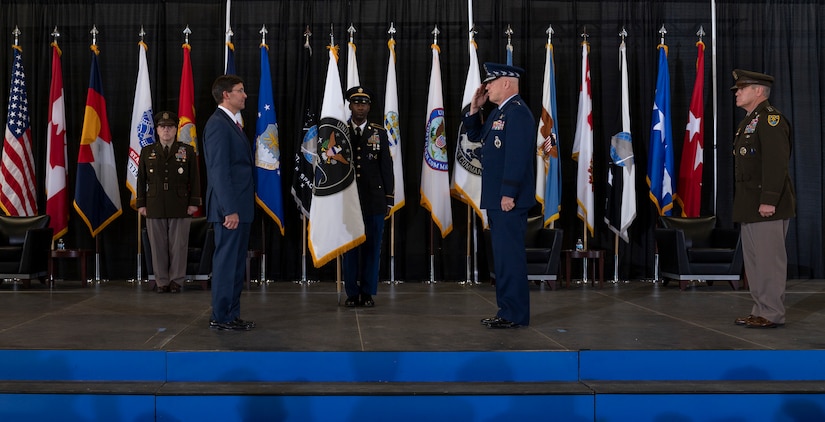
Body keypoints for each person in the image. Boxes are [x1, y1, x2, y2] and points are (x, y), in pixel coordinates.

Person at [463, 63, 536, 329]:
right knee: (502, 259)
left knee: (510, 258)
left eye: (491, 82)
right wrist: (475, 109)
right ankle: (507, 310)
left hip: (508, 199)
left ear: (507, 83)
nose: (487, 86)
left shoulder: (518, 113)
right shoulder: (498, 113)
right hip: (496, 198)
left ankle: (515, 314)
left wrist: (508, 193)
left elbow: (516, 157)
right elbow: (475, 136)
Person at [730, 69, 795, 329]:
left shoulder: (770, 120)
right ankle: (760, 309)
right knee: (756, 262)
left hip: (768, 204)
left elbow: (776, 164)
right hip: (750, 204)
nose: (737, 92)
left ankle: (772, 312)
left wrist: (768, 199)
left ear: (758, 91)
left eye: (742, 88)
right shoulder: (750, 121)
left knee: (769, 261)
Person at [202, 75, 256, 331]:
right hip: (230, 210)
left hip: (240, 207)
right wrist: (230, 209)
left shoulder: (231, 123)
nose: (244, 95)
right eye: (240, 90)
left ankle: (230, 314)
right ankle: (221, 316)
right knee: (226, 264)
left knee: (235, 264)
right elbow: (219, 171)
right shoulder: (218, 125)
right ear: (226, 94)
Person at [136, 111, 201, 294]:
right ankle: (161, 281)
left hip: (180, 204)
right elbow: (141, 179)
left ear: (175, 130)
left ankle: (177, 281)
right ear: (157, 130)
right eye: (162, 127)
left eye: (170, 127)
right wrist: (141, 203)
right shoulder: (147, 151)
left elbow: (194, 179)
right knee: (157, 246)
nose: (166, 130)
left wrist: (194, 202)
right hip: (154, 204)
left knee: (179, 245)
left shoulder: (187, 150)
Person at [342, 86, 394, 307]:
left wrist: (389, 198)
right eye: (356, 102)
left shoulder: (379, 132)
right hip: (348, 201)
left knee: (372, 248)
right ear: (350, 105)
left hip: (374, 200)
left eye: (364, 102)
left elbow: (387, 167)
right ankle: (352, 293)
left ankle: (368, 292)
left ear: (369, 106)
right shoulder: (340, 131)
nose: (360, 106)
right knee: (350, 248)